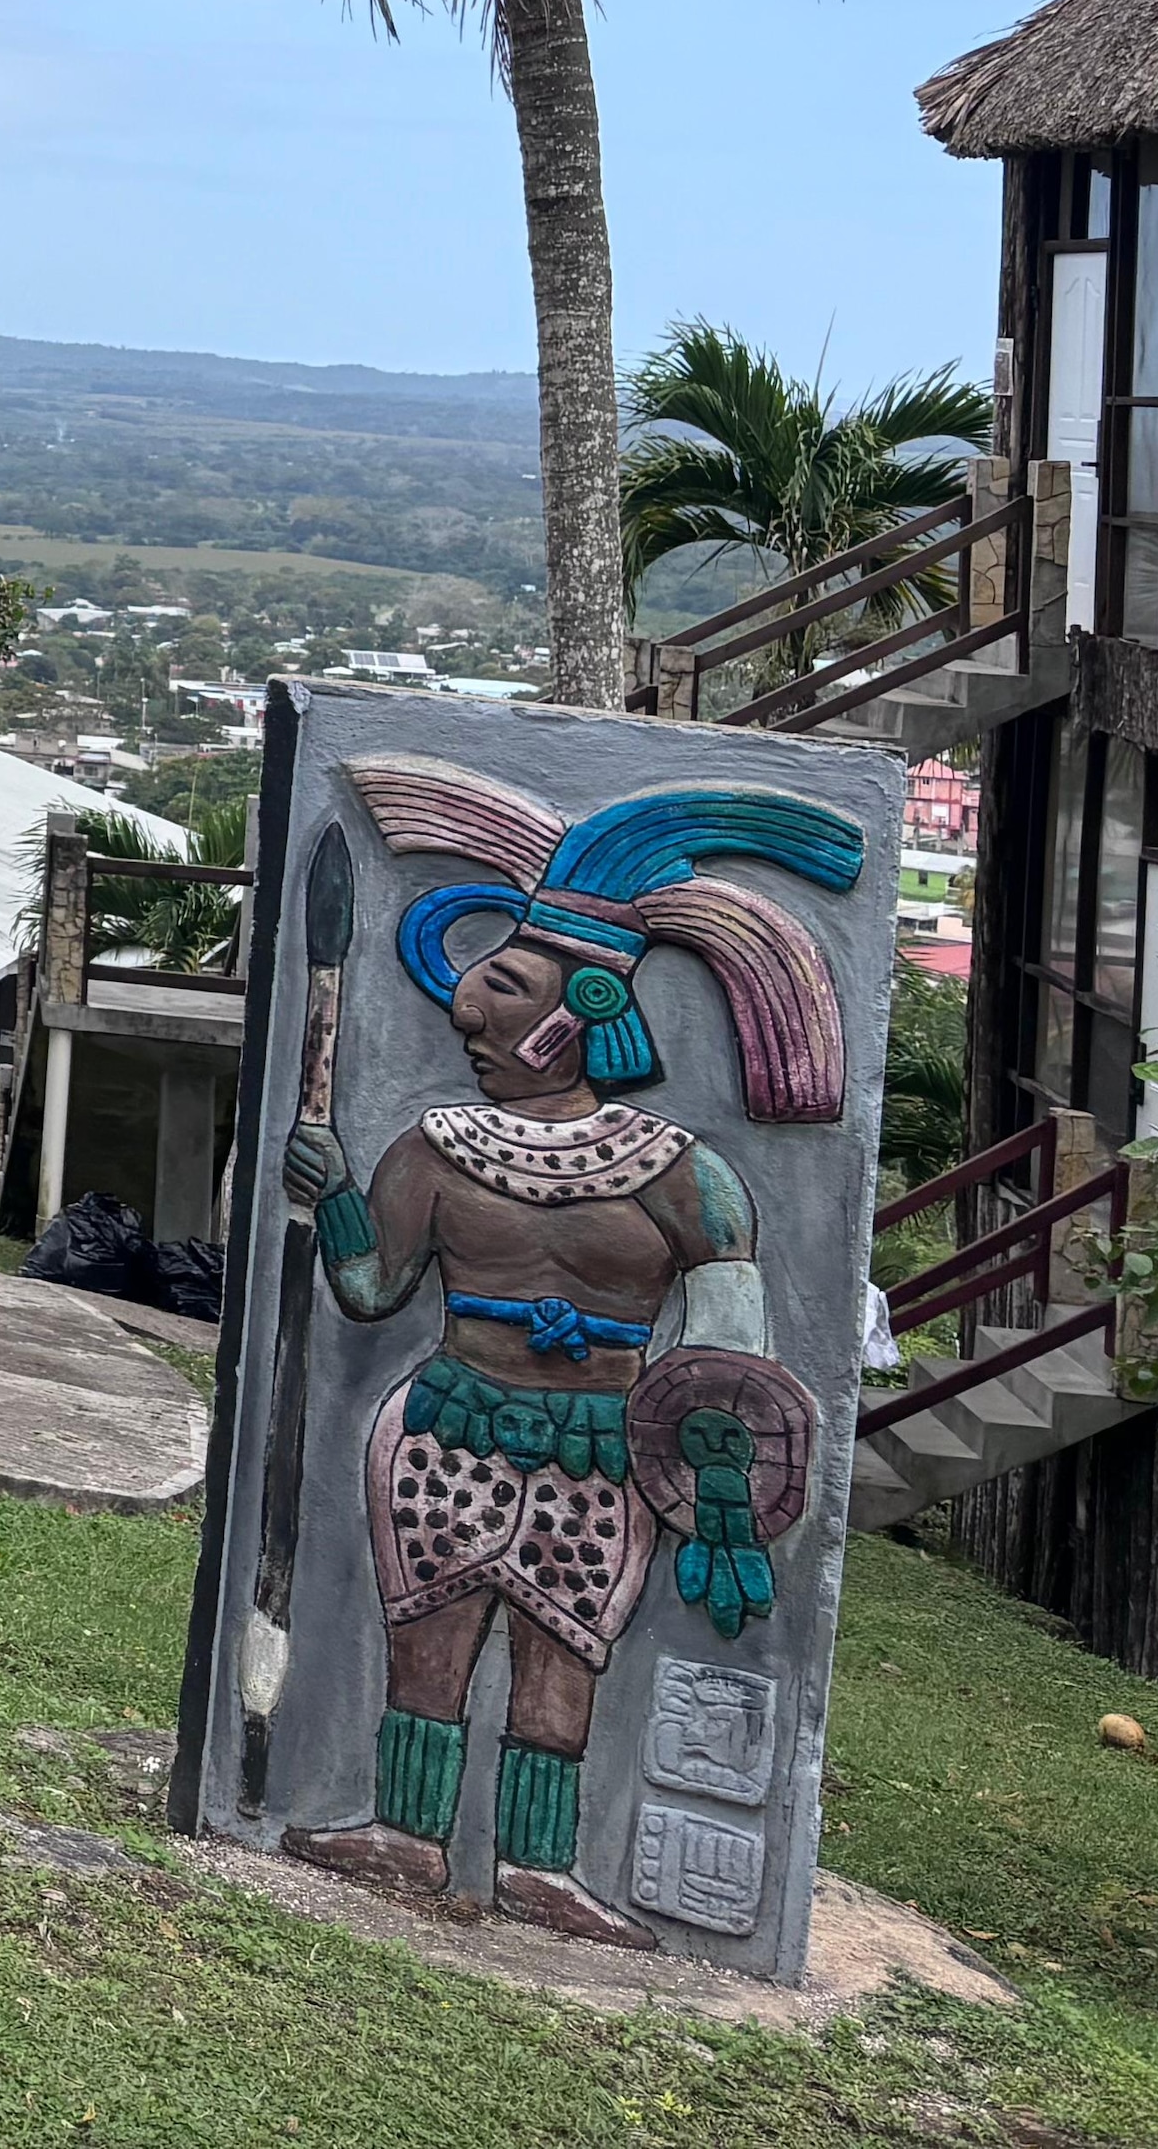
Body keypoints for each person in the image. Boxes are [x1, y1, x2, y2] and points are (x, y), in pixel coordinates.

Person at [274, 761, 851, 1946]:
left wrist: (720, 1482)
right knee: (426, 1643)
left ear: (583, 1011)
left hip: (600, 1451)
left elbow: (727, 1359)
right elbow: (369, 1292)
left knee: (564, 1658)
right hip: (445, 1428)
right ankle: (406, 1835)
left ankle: (537, 1868)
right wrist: (332, 1197)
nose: (469, 1025)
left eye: (502, 997)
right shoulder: (432, 1150)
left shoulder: (686, 1175)